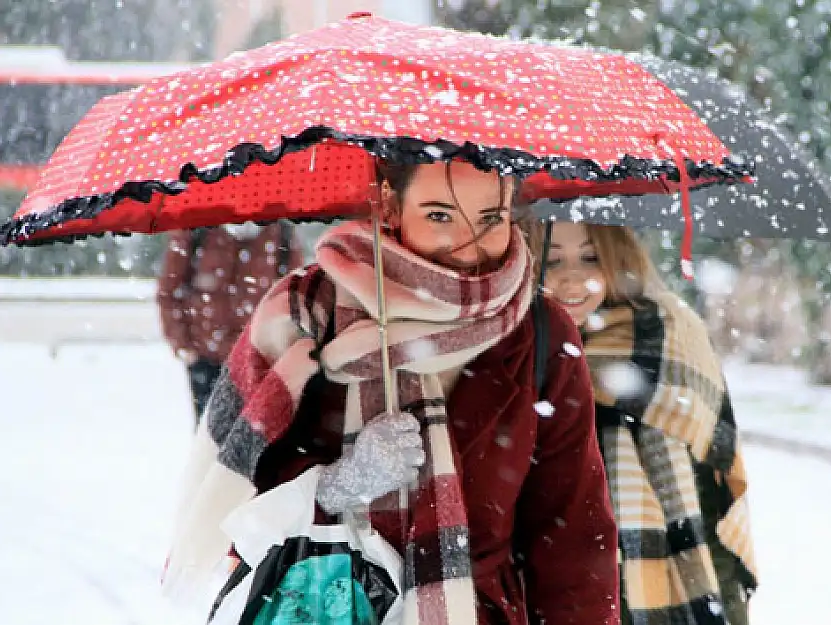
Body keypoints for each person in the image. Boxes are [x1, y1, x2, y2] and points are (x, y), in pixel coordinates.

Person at [163, 160, 621, 625]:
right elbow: (235, 505)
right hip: (333, 605)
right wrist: (339, 485)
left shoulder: (538, 331)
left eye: (491, 219)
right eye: (440, 216)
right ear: (388, 203)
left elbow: (573, 534)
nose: (468, 246)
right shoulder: (305, 314)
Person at [525, 220, 758, 625]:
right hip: (553, 574)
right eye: (551, 259)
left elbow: (711, 484)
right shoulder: (515, 346)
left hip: (659, 580)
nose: (571, 276)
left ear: (618, 259)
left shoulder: (671, 335)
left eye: (591, 257)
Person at [156, 221, 302, 426]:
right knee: (209, 441)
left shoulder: (281, 234)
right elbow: (169, 292)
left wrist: (282, 348)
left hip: (258, 361)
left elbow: (294, 298)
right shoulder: (196, 229)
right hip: (206, 359)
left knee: (255, 440)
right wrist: (184, 346)